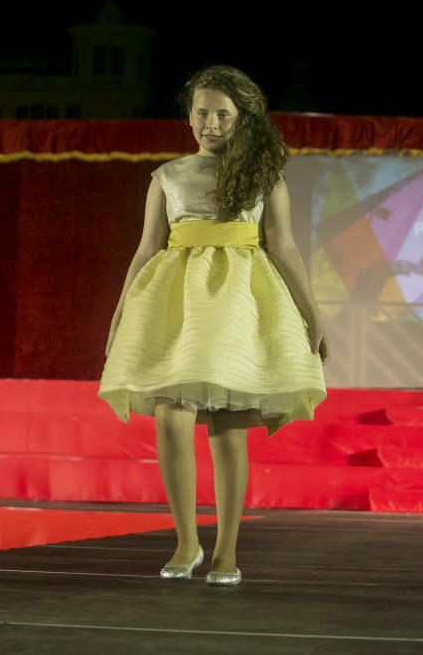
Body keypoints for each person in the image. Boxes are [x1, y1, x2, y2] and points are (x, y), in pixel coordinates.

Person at [99, 65, 327, 586]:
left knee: (229, 430)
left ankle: (226, 550)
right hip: (177, 306)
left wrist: (314, 317)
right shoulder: (168, 176)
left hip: (238, 306)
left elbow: (285, 248)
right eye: (201, 112)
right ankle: (186, 541)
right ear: (188, 116)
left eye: (222, 114)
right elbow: (146, 248)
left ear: (242, 119)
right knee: (170, 419)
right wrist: (120, 316)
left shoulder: (266, 176)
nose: (210, 122)